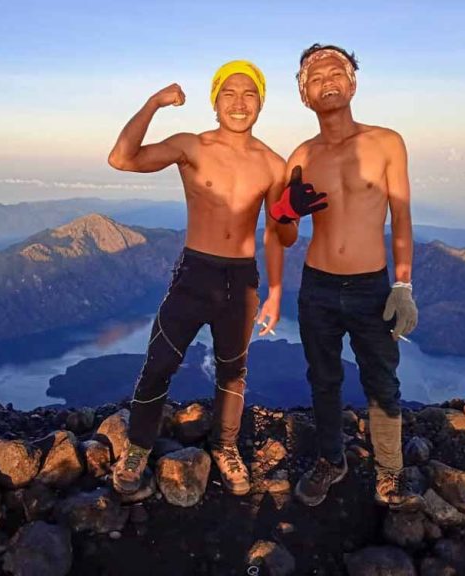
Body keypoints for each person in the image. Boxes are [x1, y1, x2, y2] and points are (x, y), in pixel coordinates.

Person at [107, 61, 298, 496]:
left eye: (249, 94)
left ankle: (225, 446)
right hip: (196, 272)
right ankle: (138, 448)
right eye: (229, 93)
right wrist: (155, 102)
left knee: (234, 372)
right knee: (159, 363)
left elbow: (281, 233)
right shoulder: (191, 146)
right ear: (215, 101)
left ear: (261, 103)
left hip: (242, 279)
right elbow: (121, 158)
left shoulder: (273, 164)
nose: (239, 102)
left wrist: (276, 284)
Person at [270, 44, 423, 509]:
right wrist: (284, 211)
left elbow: (401, 218)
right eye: (315, 76)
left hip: (371, 284)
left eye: (337, 70)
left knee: (382, 380)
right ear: (304, 95)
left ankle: (390, 471)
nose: (328, 79)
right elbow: (286, 235)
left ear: (353, 83)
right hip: (317, 285)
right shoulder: (300, 155)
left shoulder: (386, 142)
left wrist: (403, 285)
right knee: (324, 379)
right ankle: (331, 460)